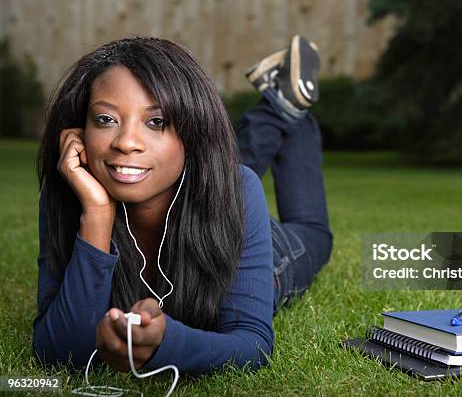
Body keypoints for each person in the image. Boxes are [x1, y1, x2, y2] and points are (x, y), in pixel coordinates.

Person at [33, 36, 333, 377]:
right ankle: (281, 105)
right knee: (201, 168)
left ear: (192, 129)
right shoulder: (73, 189)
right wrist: (97, 217)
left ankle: (287, 110)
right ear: (80, 129)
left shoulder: (238, 189)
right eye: (105, 119)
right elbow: (60, 354)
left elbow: (252, 344)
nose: (126, 142)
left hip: (251, 247)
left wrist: (168, 344)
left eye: (156, 121)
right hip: (184, 178)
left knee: (313, 234)